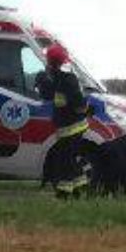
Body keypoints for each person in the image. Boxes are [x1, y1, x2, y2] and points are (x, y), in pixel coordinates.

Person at [35, 44, 91, 198]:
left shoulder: (65, 79)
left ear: (51, 61)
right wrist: (42, 82)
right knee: (70, 159)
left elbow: (79, 104)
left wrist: (44, 81)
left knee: (65, 160)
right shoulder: (60, 77)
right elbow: (48, 95)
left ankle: (63, 193)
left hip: (72, 127)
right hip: (70, 127)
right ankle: (82, 187)